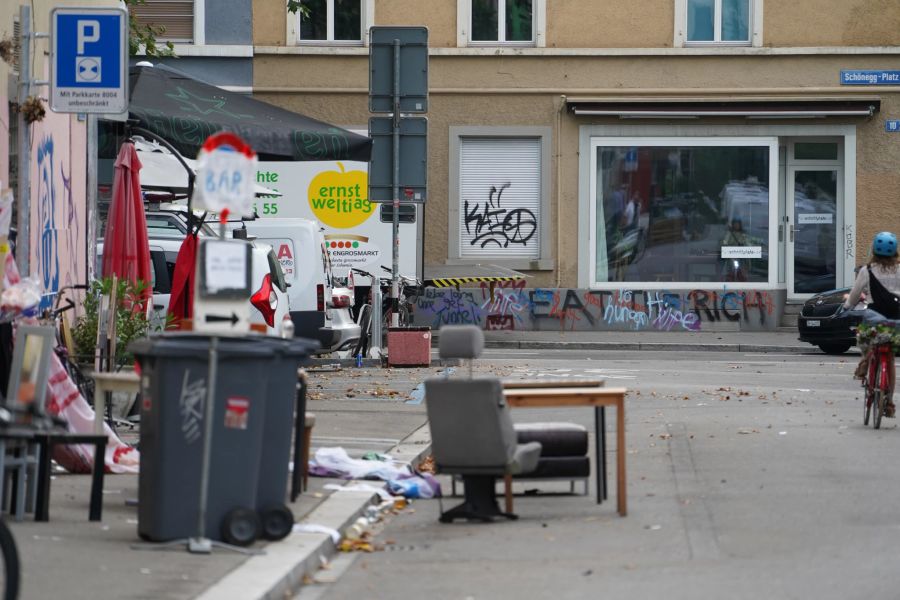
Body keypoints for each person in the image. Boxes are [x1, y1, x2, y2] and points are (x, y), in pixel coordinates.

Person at [844, 231, 900, 416]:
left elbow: (854, 295)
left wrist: (847, 305)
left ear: (874, 250)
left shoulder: (866, 271)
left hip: (874, 318)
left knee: (866, 340)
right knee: (889, 358)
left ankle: (865, 363)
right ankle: (889, 402)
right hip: (896, 322)